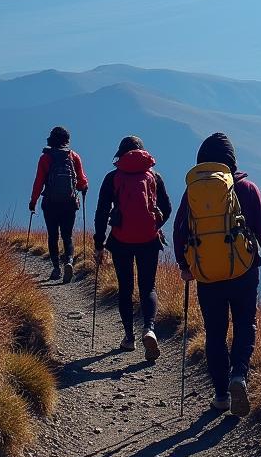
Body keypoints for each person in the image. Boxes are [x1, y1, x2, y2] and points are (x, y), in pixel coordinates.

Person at [174, 132, 261, 418]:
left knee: (215, 333)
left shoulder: (193, 192)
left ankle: (221, 396)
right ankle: (239, 375)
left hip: (207, 275)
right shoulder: (247, 189)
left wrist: (185, 267)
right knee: (245, 324)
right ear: (231, 161)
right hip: (244, 272)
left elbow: (180, 231)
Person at [93, 136, 172, 361]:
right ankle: (149, 329)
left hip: (121, 241)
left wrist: (99, 244)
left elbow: (101, 212)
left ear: (120, 154)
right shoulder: (154, 176)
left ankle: (129, 338)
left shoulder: (113, 177)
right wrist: (156, 225)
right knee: (148, 287)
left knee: (125, 287)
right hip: (149, 240)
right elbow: (167, 207)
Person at [29, 125, 89, 284]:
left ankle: (56, 268)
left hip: (50, 203)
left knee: (53, 235)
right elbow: (82, 182)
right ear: (66, 140)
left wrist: (33, 201)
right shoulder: (73, 156)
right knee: (67, 235)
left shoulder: (45, 158)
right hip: (69, 204)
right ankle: (69, 260)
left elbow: (38, 182)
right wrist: (83, 188)